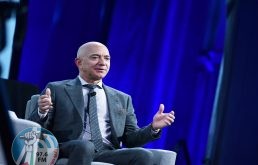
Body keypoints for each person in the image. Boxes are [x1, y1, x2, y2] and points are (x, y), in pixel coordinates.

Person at [28, 41, 175, 165]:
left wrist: (153, 128)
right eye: (95, 57)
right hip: (70, 147)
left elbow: (131, 140)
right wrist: (42, 111)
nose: (102, 63)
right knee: (85, 147)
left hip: (106, 152)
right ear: (79, 62)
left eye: (107, 58)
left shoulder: (123, 98)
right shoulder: (57, 89)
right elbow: (36, 130)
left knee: (144, 156)